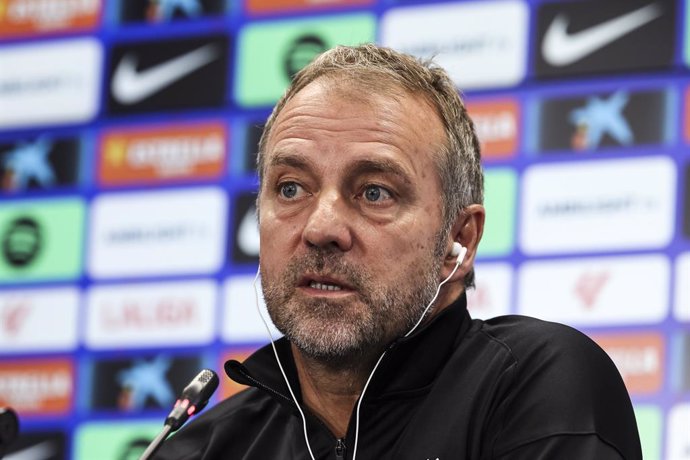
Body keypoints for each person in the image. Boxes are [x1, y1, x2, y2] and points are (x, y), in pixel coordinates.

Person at [156, 44, 642, 459]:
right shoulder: (202, 448)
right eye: (290, 189)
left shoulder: (533, 385)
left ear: (461, 240)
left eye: (374, 192)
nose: (321, 228)